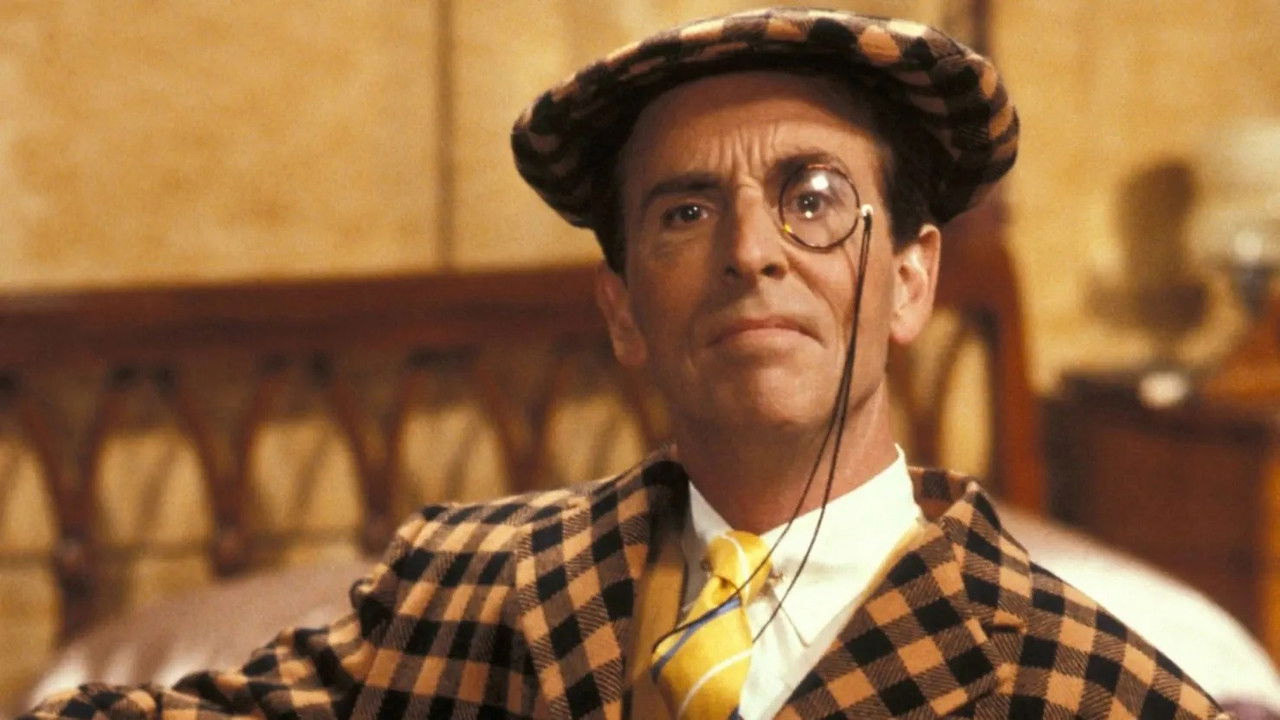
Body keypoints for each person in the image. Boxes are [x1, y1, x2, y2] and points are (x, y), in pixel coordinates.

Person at [23, 7, 1231, 720]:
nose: (751, 251)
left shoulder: (1080, 686)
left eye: (813, 200)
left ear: (910, 280)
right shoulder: (470, 594)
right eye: (685, 213)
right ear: (621, 310)